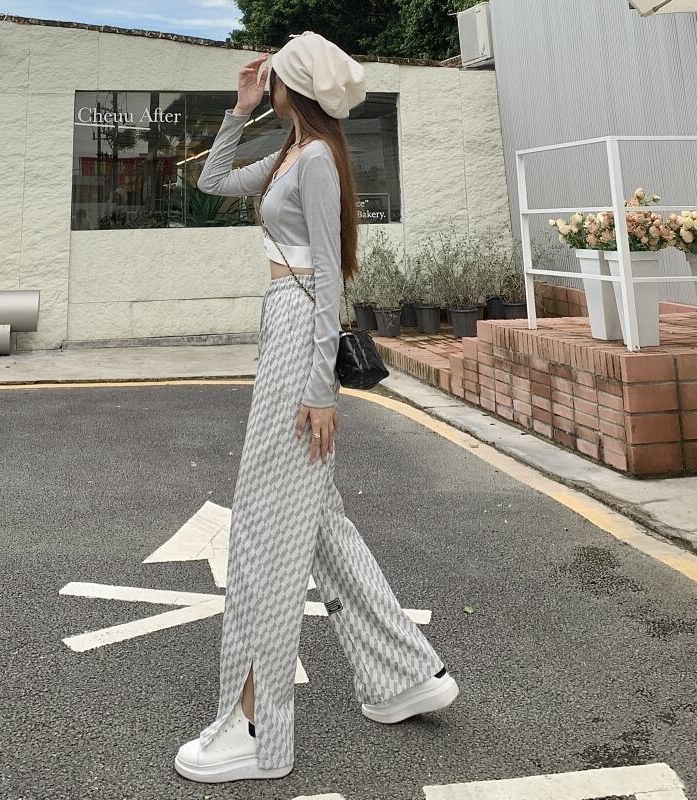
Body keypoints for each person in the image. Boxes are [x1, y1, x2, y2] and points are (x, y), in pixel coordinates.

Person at [173, 31, 458, 785]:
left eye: (271, 77)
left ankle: (256, 727)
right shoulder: (290, 155)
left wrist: (319, 389)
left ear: (291, 86)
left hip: (301, 330)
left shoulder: (320, 161)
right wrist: (238, 111)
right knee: (315, 517)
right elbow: (212, 181)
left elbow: (330, 275)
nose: (264, 82)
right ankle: (405, 674)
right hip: (284, 323)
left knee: (265, 523)